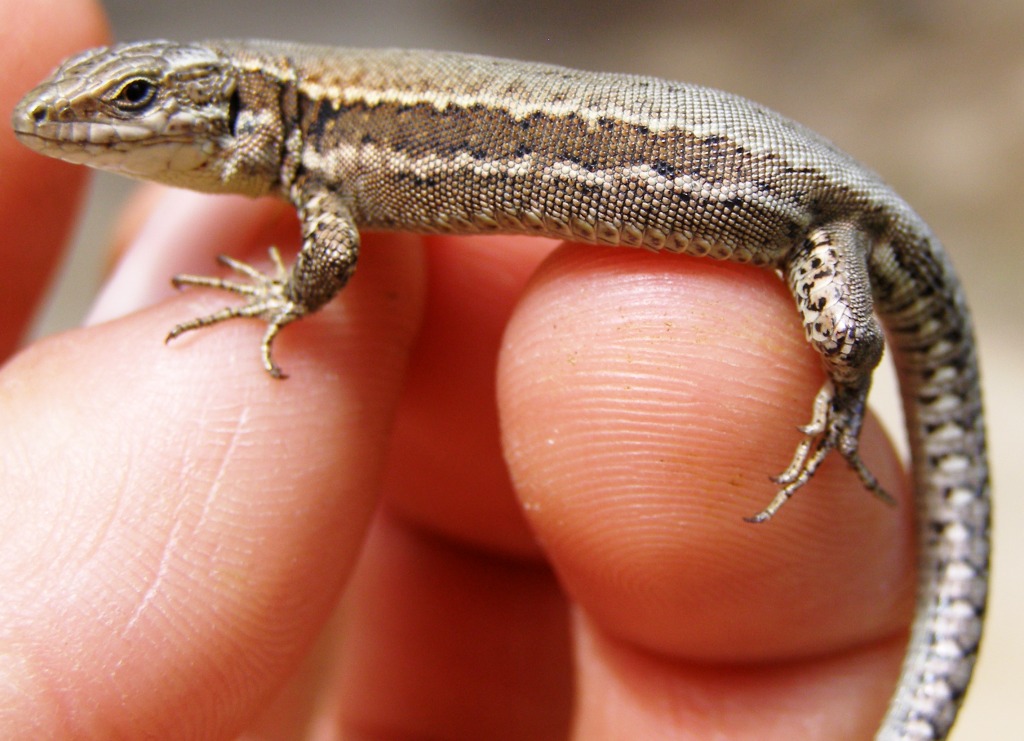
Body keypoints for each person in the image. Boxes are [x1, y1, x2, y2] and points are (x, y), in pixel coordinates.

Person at [0, 1, 915, 736]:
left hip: (811, 213)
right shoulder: (311, 148)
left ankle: (840, 402)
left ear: (238, 103)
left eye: (136, 99)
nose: (69, 121)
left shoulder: (318, 160)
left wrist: (287, 302)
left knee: (841, 337)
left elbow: (332, 258)